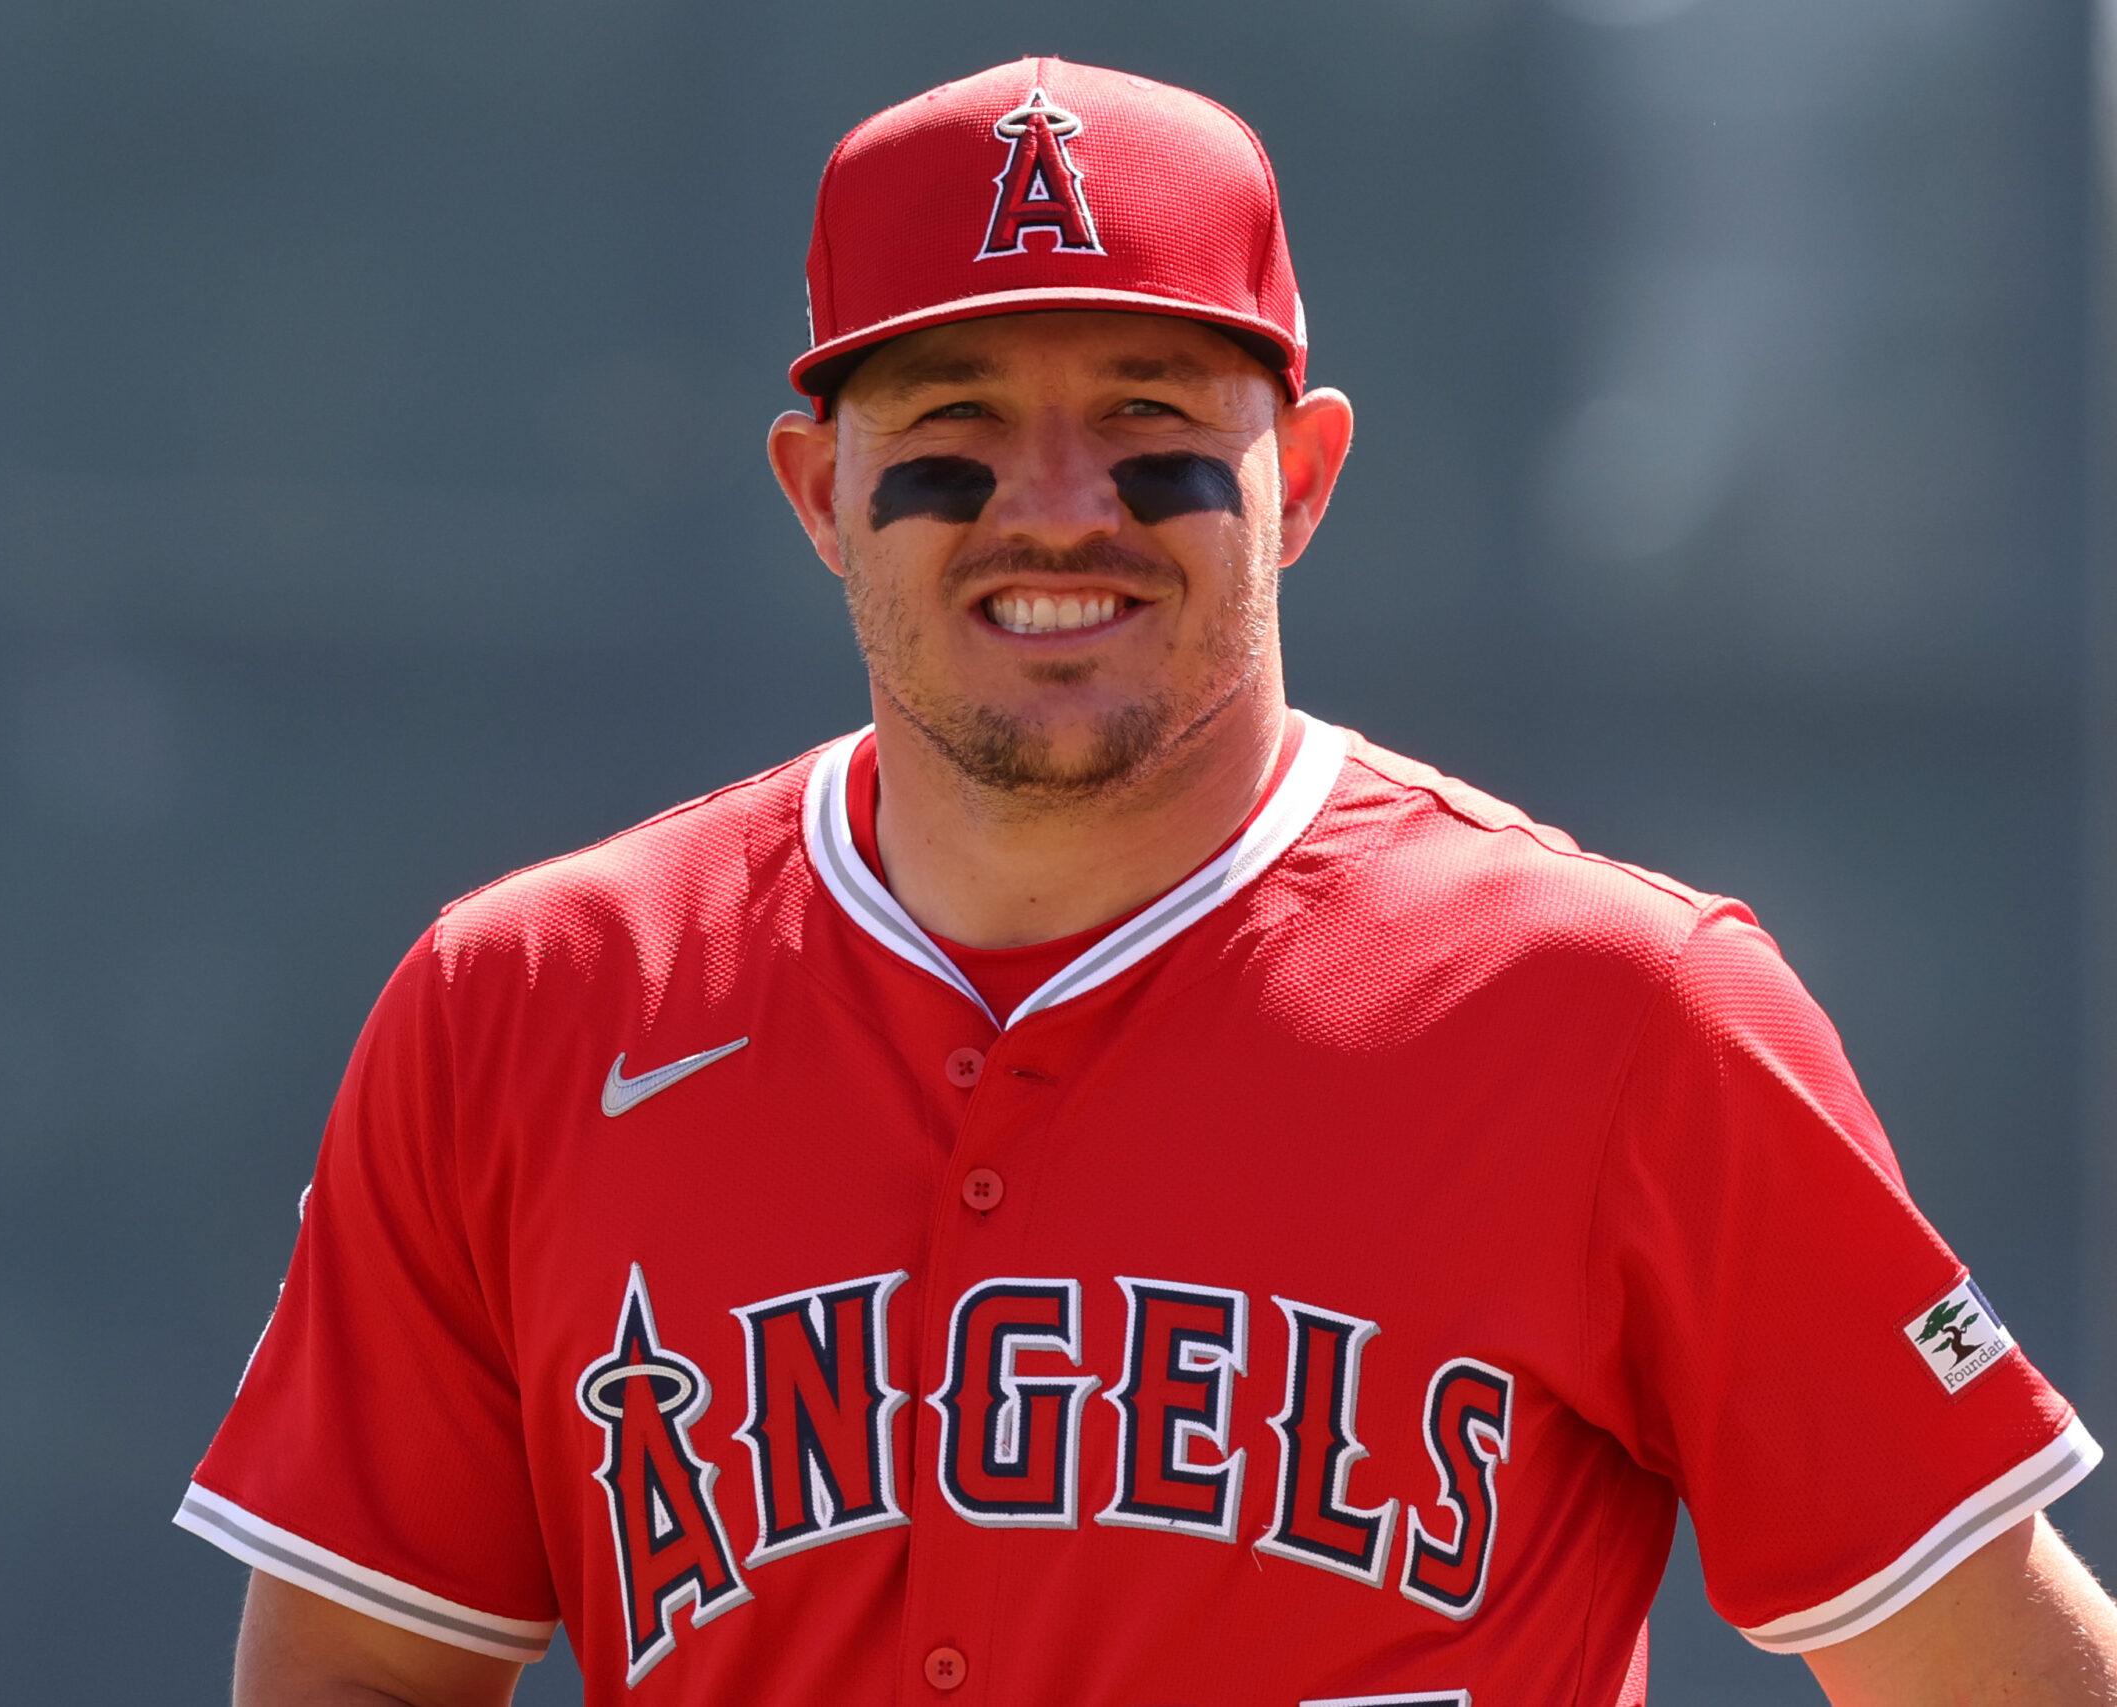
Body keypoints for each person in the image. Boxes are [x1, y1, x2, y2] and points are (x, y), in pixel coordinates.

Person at [175, 56, 2117, 1705]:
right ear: (817, 490)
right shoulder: (528, 1002)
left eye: (1148, 422)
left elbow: (2004, 1675)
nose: (1054, 507)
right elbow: (361, 1668)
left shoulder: (1618, 1012)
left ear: (1305, 476)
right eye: (953, 424)